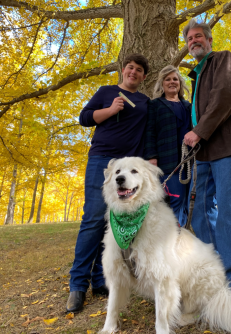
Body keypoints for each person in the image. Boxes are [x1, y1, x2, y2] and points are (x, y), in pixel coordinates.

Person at [182, 19, 231, 301]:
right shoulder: (197, 75)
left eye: (198, 36)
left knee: (229, 212)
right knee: (202, 214)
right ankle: (217, 275)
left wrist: (198, 131)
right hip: (204, 153)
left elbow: (226, 95)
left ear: (209, 40)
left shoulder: (223, 60)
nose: (194, 41)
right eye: (190, 39)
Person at [67, 53, 149, 313]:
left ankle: (100, 280)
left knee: (113, 221)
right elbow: (84, 118)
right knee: (92, 219)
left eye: (138, 70)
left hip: (129, 166)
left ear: (144, 76)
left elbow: (150, 134)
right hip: (102, 161)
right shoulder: (106, 92)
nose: (133, 72)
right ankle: (77, 285)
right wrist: (111, 110)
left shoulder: (145, 102)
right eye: (130, 68)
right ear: (123, 71)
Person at [144, 65, 191, 226]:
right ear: (162, 84)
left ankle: (180, 239)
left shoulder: (188, 106)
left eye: (175, 79)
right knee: (172, 202)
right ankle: (171, 240)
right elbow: (149, 132)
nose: (172, 82)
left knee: (186, 203)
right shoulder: (155, 104)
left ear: (180, 83)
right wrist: (152, 158)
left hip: (188, 163)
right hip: (166, 162)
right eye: (168, 79)